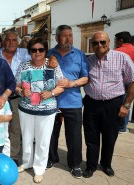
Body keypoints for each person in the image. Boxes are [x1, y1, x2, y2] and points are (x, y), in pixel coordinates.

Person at [82, 31, 134, 178]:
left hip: (113, 104)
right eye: (95, 43)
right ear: (91, 45)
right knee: (91, 137)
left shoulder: (121, 58)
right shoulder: (88, 61)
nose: (99, 45)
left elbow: (132, 81)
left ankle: (106, 164)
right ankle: (91, 166)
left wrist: (126, 105)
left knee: (109, 137)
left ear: (109, 42)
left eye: (102, 42)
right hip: (91, 104)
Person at [16, 37, 64, 183]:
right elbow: (16, 85)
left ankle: (39, 168)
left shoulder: (53, 65)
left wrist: (52, 93)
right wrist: (21, 92)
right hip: (25, 109)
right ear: (30, 51)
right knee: (27, 138)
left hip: (47, 111)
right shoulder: (24, 66)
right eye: (34, 50)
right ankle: (26, 162)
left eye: (41, 49)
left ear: (45, 51)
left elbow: (61, 85)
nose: (37, 52)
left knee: (43, 141)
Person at [46, 25, 89, 178]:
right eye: (64, 36)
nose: (68, 39)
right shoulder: (48, 54)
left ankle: (75, 164)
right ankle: (51, 158)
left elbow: (86, 77)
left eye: (70, 35)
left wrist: (72, 83)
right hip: (51, 101)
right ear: (56, 38)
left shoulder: (79, 54)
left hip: (73, 102)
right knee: (50, 133)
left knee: (75, 136)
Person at [0, 31, 31, 165]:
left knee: (15, 128)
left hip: (16, 97)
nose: (11, 42)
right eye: (8, 40)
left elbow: (40, 57)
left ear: (18, 42)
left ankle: (14, 156)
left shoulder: (25, 54)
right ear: (4, 42)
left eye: (14, 40)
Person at [114, 31, 134, 133]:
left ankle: (121, 127)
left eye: (115, 40)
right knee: (129, 102)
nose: (115, 42)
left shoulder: (117, 51)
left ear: (121, 40)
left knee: (122, 103)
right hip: (133, 81)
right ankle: (124, 126)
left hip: (123, 81)